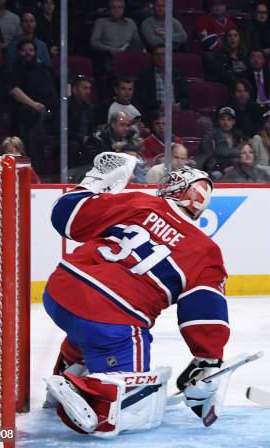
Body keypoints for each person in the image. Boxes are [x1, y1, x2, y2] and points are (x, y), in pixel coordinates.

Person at [43, 155, 230, 436]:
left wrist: (93, 183)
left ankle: (69, 371)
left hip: (61, 291)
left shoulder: (140, 203)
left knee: (88, 332)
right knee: (132, 408)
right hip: (111, 318)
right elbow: (204, 311)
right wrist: (208, 359)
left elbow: (66, 217)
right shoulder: (205, 251)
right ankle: (87, 395)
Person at [4, 39, 59, 170]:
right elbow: (14, 91)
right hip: (27, 108)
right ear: (18, 52)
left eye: (31, 50)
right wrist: (34, 105)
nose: (28, 53)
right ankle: (30, 165)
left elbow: (59, 86)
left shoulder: (45, 68)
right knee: (29, 116)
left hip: (50, 108)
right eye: (24, 50)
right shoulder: (13, 69)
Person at [135, 45, 189, 116]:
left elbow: (187, 98)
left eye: (163, 55)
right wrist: (159, 105)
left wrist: (179, 105)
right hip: (156, 111)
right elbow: (143, 99)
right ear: (153, 57)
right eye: (157, 55)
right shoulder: (145, 75)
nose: (160, 58)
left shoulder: (177, 74)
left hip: (176, 111)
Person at [196, 106, 244, 177]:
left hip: (237, 169)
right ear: (218, 121)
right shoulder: (210, 135)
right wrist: (222, 169)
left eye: (229, 119)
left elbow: (244, 155)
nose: (225, 122)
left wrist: (236, 167)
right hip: (217, 170)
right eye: (222, 119)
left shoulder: (239, 137)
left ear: (234, 122)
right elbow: (208, 159)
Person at [68, 76, 96, 167]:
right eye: (85, 88)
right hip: (70, 140)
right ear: (75, 90)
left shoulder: (90, 108)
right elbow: (61, 130)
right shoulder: (65, 106)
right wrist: (81, 138)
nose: (88, 92)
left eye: (89, 88)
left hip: (87, 140)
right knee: (73, 146)